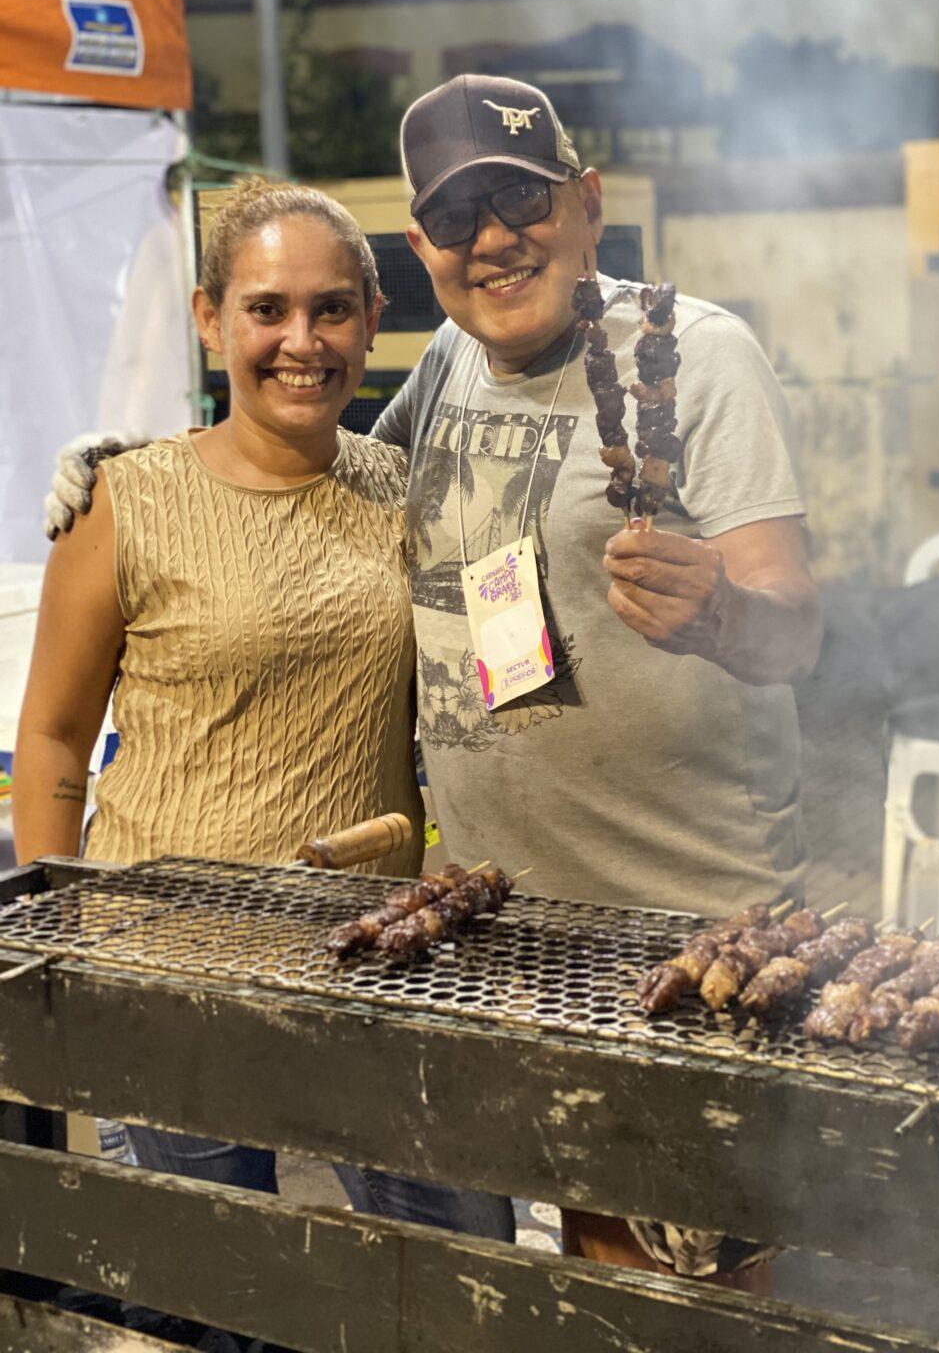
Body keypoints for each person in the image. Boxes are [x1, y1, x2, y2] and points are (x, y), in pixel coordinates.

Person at [44, 75, 821, 1283]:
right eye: (458, 218)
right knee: (592, 1274)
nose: (494, 239)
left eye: (521, 199)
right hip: (516, 934)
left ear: (586, 202)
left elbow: (796, 633)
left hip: (692, 916)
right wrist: (132, 462)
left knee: (713, 1293)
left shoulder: (700, 357)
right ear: (424, 248)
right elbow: (311, 453)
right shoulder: (452, 363)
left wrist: (720, 610)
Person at [18, 176, 514, 1242]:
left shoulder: (406, 492)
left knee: (456, 1258)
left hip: (373, 961)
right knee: (211, 1290)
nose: (304, 339)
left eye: (332, 308)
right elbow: (55, 734)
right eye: (267, 309)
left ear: (373, 323)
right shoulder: (125, 501)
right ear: (210, 319)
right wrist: (64, 949)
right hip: (165, 971)